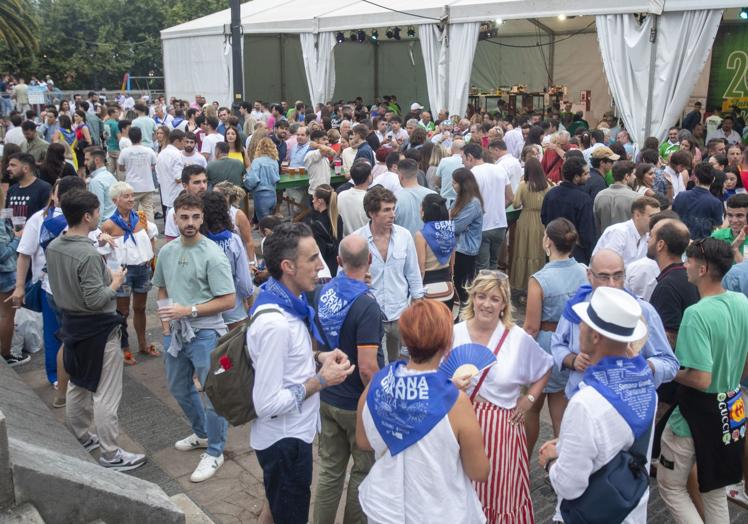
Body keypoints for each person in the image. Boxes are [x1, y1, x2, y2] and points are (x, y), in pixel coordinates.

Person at [247, 222, 355, 524]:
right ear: (288, 266)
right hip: (285, 444)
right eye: (312, 258)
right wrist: (321, 381)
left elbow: (286, 361)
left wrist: (318, 356)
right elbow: (266, 403)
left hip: (292, 437)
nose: (321, 265)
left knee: (275, 507)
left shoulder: (280, 299)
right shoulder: (276, 324)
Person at [356, 299, 489, 523]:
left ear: (406, 339)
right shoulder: (456, 402)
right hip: (438, 511)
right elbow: (479, 471)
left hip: (384, 507)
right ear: (447, 345)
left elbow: (363, 441)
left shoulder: (377, 384)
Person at [45, 189, 146, 471]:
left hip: (71, 324)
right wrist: (115, 280)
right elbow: (96, 299)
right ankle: (111, 453)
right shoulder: (87, 254)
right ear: (87, 216)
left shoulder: (55, 245)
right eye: (97, 212)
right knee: (105, 392)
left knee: (79, 383)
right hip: (98, 328)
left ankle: (79, 435)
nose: (100, 216)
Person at [539, 287, 657, 523]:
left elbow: (569, 486)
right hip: (630, 509)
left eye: (583, 322)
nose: (579, 326)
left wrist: (551, 460)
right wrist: (567, 445)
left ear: (594, 336)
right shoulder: (644, 382)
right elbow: (615, 443)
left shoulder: (586, 404)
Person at [658, 238, 748, 523]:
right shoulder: (741, 302)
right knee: (715, 487)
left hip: (697, 414)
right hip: (732, 406)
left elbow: (699, 377)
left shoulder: (696, 315)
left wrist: (669, 371)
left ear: (703, 268)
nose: (685, 264)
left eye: (690, 260)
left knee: (671, 486)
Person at [452, 270, 552, 522]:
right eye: (481, 296)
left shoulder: (517, 338)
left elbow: (545, 367)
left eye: (494, 299)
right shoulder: (455, 333)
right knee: (459, 492)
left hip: (501, 433)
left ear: (504, 304)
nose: (486, 304)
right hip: (459, 426)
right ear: (472, 298)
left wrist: (529, 399)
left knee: (498, 495)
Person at [152, 192, 236, 483]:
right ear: (174, 217)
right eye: (184, 217)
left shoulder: (213, 253)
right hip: (175, 334)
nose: (190, 223)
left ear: (202, 217)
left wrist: (190, 310)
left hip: (206, 333)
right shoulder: (167, 251)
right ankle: (202, 434)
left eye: (195, 217)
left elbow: (228, 299)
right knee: (178, 387)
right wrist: (165, 323)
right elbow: (161, 287)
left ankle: (215, 451)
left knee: (213, 394)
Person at [312, 235, 383, 524]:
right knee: (362, 472)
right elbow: (367, 367)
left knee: (330, 471)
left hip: (327, 394)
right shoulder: (366, 305)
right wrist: (382, 399)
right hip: (357, 404)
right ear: (369, 260)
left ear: (339, 262)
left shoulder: (322, 292)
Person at [551, 249, 678, 400]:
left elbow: (670, 363)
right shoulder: (577, 306)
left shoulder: (641, 311)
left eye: (618, 276)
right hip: (580, 398)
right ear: (589, 275)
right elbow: (557, 344)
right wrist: (572, 360)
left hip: (625, 404)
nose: (612, 284)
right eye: (604, 277)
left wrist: (642, 366)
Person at [523, 218, 588, 456]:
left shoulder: (539, 279)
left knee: (531, 408)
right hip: (573, 345)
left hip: (546, 345)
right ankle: (564, 460)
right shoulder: (583, 271)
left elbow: (530, 327)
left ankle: (525, 458)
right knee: (561, 408)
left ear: (548, 241)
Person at [354, 186, 424, 363]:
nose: (392, 214)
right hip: (372, 314)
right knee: (376, 365)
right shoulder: (357, 241)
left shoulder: (404, 236)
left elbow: (413, 271)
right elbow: (345, 279)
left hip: (401, 311)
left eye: (393, 208)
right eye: (386, 210)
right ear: (371, 213)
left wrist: (418, 300)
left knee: (406, 362)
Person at [99, 181, 159, 365]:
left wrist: (150, 258)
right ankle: (124, 347)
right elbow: (100, 249)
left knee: (140, 308)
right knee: (122, 311)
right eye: (126, 196)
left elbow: (152, 238)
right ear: (115, 200)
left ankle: (142, 343)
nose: (131, 199)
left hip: (142, 268)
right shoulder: (109, 224)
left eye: (132, 195)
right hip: (122, 271)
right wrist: (103, 239)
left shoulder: (140, 219)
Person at [200, 192, 253, 330]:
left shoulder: (198, 241)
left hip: (205, 308)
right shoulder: (233, 240)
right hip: (233, 307)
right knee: (233, 349)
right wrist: (249, 299)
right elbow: (244, 279)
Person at [463, 143, 513, 271]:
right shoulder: (499, 169)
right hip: (500, 224)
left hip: (482, 226)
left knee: (482, 266)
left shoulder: (472, 174)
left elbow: (468, 202)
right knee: (493, 263)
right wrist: (499, 207)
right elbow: (511, 197)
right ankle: (494, 290)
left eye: (463, 158)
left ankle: (485, 291)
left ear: (470, 157)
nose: (463, 163)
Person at [541, 156, 595, 264]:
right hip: (576, 254)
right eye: (585, 174)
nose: (589, 176)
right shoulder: (583, 199)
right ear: (576, 177)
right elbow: (587, 234)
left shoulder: (550, 194)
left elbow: (544, 219)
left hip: (553, 250)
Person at [510, 157, 550, 291]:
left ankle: (522, 284)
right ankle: (538, 285)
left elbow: (515, 204)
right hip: (540, 221)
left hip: (525, 219)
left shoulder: (523, 185)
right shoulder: (546, 185)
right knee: (538, 252)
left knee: (522, 251)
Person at [415, 194, 456, 311]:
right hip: (446, 287)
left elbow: (421, 267)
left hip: (428, 286)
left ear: (424, 212)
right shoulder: (449, 230)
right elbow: (452, 262)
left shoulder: (421, 235)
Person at [592, 196, 661, 266]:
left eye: (658, 217)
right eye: (653, 217)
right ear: (637, 215)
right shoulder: (618, 232)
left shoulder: (648, 236)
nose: (657, 221)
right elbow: (609, 265)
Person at [450, 168, 484, 306]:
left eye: (455, 182)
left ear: (463, 184)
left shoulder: (472, 203)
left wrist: (448, 221)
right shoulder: (460, 199)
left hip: (465, 249)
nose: (452, 185)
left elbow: (456, 227)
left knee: (463, 286)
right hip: (458, 247)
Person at [0, 184, 22, 366]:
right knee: (7, 316)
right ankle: (6, 354)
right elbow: (2, 254)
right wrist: (17, 238)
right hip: (5, 274)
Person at [672, 162, 723, 239]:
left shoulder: (680, 196)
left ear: (695, 178)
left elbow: (672, 217)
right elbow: (718, 228)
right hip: (701, 245)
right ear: (713, 180)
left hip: (678, 240)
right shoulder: (716, 203)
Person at [117, 127, 158, 222]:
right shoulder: (149, 150)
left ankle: (134, 230)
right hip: (147, 185)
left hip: (132, 186)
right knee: (148, 209)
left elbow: (121, 168)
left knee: (131, 210)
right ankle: (151, 232)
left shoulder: (125, 151)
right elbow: (154, 165)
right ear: (141, 136)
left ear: (129, 137)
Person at [304, 184, 343, 277]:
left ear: (320, 201)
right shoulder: (337, 217)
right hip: (337, 262)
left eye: (314, 198)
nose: (312, 201)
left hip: (326, 267)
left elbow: (320, 251)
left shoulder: (316, 224)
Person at [593, 160, 639, 233]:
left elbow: (596, 224)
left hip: (604, 241)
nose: (635, 177)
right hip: (627, 241)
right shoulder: (636, 197)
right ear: (626, 176)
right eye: (633, 174)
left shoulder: (599, 196)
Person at [394, 158, 436, 235]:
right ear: (417, 173)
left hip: (404, 245)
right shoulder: (434, 195)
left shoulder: (395, 199)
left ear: (400, 176)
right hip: (429, 244)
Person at [243, 137, 280, 221]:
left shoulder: (257, 161)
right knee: (271, 222)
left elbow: (252, 179)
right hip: (273, 195)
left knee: (264, 224)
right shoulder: (274, 161)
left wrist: (245, 181)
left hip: (261, 195)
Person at [6, 152, 52, 219]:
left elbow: (46, 216)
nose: (8, 168)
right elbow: (7, 217)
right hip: (11, 229)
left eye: (13, 165)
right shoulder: (12, 189)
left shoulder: (44, 188)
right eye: (9, 165)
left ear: (26, 168)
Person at [154, 129, 186, 220]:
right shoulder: (177, 154)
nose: (185, 144)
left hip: (165, 193)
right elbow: (178, 178)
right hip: (176, 194)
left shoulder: (161, 154)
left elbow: (158, 176)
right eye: (183, 141)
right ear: (177, 141)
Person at [84, 147, 117, 226]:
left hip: (104, 226)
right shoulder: (110, 176)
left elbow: (98, 209)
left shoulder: (96, 181)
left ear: (97, 160)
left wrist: (96, 233)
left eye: (87, 159)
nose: (85, 163)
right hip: (113, 222)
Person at [337, 160, 372, 236]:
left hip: (345, 241)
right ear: (368, 177)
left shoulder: (341, 195)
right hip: (363, 242)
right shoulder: (369, 199)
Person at [711, 193, 748, 260]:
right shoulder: (717, 236)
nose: (734, 220)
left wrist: (735, 249)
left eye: (739, 215)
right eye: (730, 215)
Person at [434, 139, 465, 206]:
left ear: (452, 149)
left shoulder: (444, 161)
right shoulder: (468, 162)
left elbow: (436, 181)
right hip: (462, 200)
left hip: (446, 200)